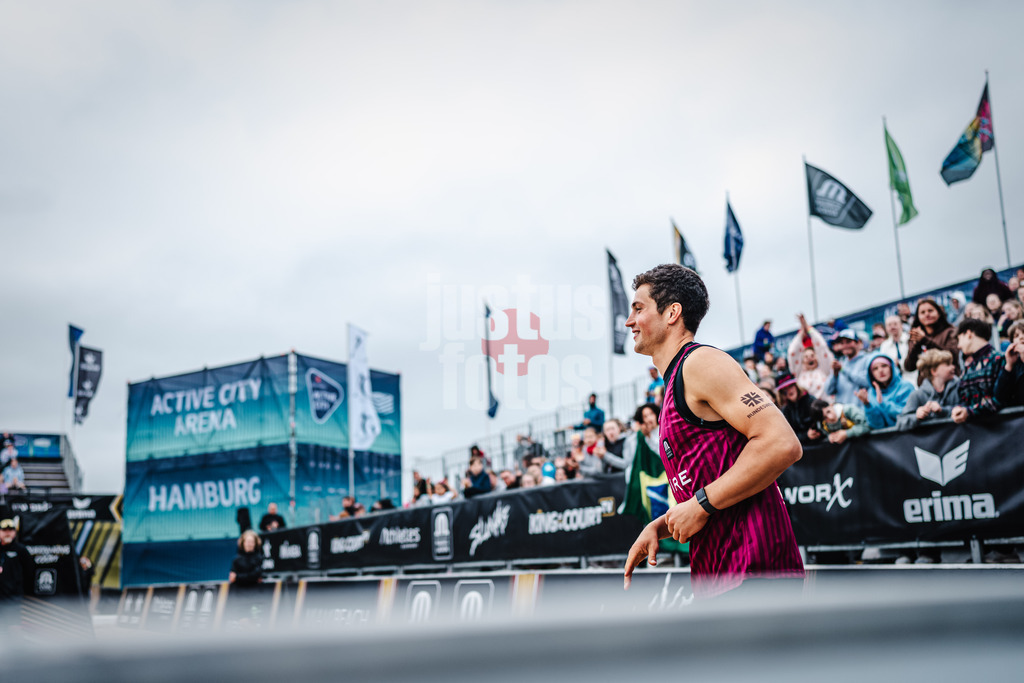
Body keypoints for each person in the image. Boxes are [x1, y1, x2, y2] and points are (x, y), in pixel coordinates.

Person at [622, 264, 803, 599]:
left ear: (672, 312)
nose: (629, 321)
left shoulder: (700, 363)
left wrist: (701, 505)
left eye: (638, 309)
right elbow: (705, 488)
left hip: (753, 571)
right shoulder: (675, 382)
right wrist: (658, 527)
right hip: (720, 575)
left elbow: (781, 443)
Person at [951, 317, 1004, 424]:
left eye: (959, 339)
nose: (958, 346)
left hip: (1002, 431)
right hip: (976, 435)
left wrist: (969, 412)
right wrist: (958, 409)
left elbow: (1001, 399)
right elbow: (963, 400)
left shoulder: (999, 359)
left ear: (969, 334)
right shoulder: (967, 368)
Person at [896, 349, 961, 431]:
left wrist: (942, 411)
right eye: (947, 364)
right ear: (934, 371)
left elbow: (967, 409)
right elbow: (900, 423)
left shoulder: (960, 387)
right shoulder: (917, 395)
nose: (953, 367)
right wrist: (916, 416)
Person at [856, 354, 915, 430]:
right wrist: (867, 405)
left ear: (891, 368)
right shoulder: (871, 393)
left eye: (884, 366)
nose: (880, 370)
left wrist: (883, 403)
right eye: (875, 368)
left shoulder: (906, 387)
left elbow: (907, 415)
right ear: (871, 374)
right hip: (886, 440)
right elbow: (877, 425)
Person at [904, 298, 959, 377]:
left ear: (939, 313)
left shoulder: (950, 332)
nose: (927, 314)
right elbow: (909, 367)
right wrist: (917, 345)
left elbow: (952, 357)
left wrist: (925, 340)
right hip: (926, 385)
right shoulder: (916, 336)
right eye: (922, 312)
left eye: (930, 311)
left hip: (949, 381)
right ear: (918, 317)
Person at [787, 313, 834, 399]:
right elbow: (792, 352)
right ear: (802, 361)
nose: (809, 358)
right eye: (806, 357)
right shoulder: (798, 374)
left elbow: (822, 347)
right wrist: (802, 332)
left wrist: (808, 327)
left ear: (817, 357)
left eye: (812, 355)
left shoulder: (824, 370)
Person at [826, 329, 871, 406]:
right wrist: (835, 374)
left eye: (848, 342)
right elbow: (828, 391)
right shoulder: (840, 363)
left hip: (861, 414)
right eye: (842, 343)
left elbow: (867, 382)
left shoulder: (867, 360)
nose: (845, 346)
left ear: (858, 343)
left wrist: (843, 370)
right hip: (844, 415)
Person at [0, 516, 34, 601]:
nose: (7, 533)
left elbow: (29, 570)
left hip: (13, 598)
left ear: (15, 532)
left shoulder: (21, 550)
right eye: (4, 530)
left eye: (11, 530)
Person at [777, 374, 816, 443]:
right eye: (785, 389)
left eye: (791, 386)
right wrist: (806, 435)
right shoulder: (785, 410)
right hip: (800, 445)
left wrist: (815, 431)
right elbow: (788, 435)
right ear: (782, 393)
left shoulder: (811, 400)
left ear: (796, 386)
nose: (789, 391)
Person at [879, 315, 915, 386]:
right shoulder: (884, 345)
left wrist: (899, 363)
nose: (892, 327)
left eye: (895, 324)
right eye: (889, 325)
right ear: (886, 328)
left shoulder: (910, 340)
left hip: (913, 379)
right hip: (895, 383)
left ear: (901, 325)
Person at [994, 320, 1024, 407]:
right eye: (1016, 336)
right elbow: (999, 396)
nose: (1021, 337)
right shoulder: (1011, 364)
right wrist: (1009, 366)